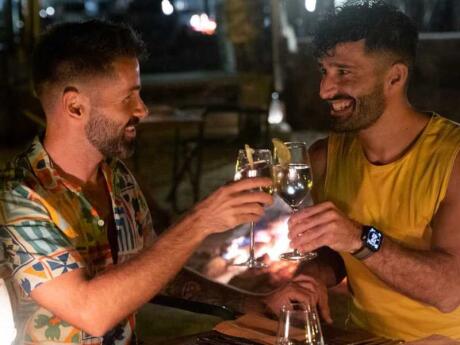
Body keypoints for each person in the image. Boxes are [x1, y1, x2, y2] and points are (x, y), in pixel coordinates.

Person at [0, 20, 273, 345]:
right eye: (127, 98)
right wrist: (200, 222)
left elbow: (151, 272)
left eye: (139, 94)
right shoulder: (19, 197)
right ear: (75, 106)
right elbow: (91, 311)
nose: (142, 110)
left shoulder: (117, 177)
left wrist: (250, 303)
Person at [265, 0, 460, 341]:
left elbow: (450, 291)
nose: (325, 90)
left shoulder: (453, 158)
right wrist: (312, 276)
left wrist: (359, 238)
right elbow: (337, 252)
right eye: (324, 71)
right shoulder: (326, 156)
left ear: (394, 77)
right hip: (364, 337)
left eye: (344, 72)